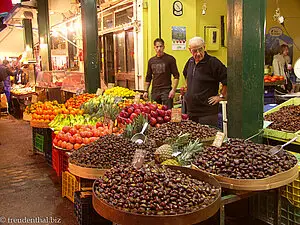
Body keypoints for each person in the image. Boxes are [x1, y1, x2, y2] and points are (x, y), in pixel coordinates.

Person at [183, 37, 227, 127]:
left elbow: (227, 79)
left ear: (204, 47)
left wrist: (221, 96)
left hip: (207, 113)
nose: (198, 53)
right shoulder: (190, 62)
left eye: (200, 49)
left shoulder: (213, 63)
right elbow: (186, 75)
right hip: (191, 111)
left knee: (207, 138)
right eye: (195, 51)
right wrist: (188, 89)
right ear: (189, 50)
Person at [143, 38, 180, 109]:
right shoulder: (151, 61)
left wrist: (173, 90)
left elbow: (176, 75)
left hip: (166, 91)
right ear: (154, 47)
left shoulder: (170, 59)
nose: (159, 49)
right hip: (155, 91)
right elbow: (148, 77)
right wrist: (145, 91)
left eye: (161, 46)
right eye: (157, 47)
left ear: (164, 47)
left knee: (168, 112)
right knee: (154, 112)